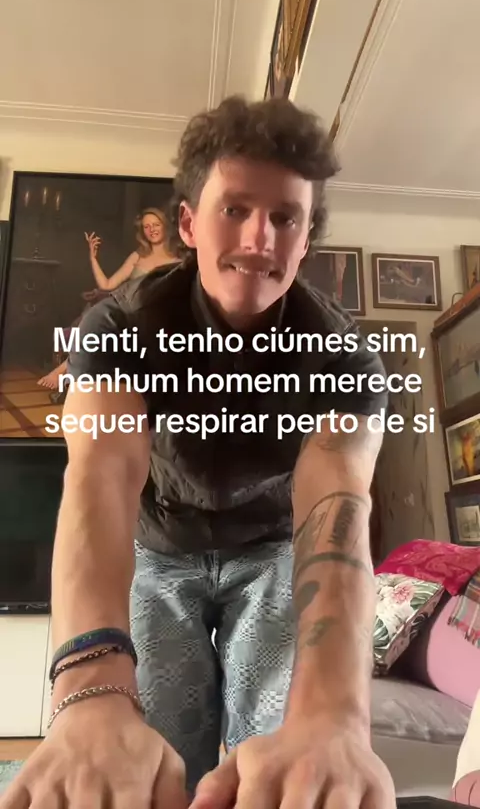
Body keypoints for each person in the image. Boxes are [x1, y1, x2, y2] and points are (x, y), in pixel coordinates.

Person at [0, 96, 396, 809]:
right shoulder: (119, 324)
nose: (260, 238)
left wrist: (336, 713)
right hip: (159, 548)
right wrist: (88, 691)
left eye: (286, 218)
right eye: (235, 209)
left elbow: (337, 506)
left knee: (280, 754)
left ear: (306, 240)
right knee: (150, 759)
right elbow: (100, 480)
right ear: (187, 224)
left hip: (272, 550)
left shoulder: (346, 355)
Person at [85, 206, 179, 290]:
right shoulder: (137, 256)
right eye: (146, 227)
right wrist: (93, 259)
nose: (152, 229)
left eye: (156, 225)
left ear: (165, 227)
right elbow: (107, 285)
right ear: (142, 231)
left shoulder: (177, 261)